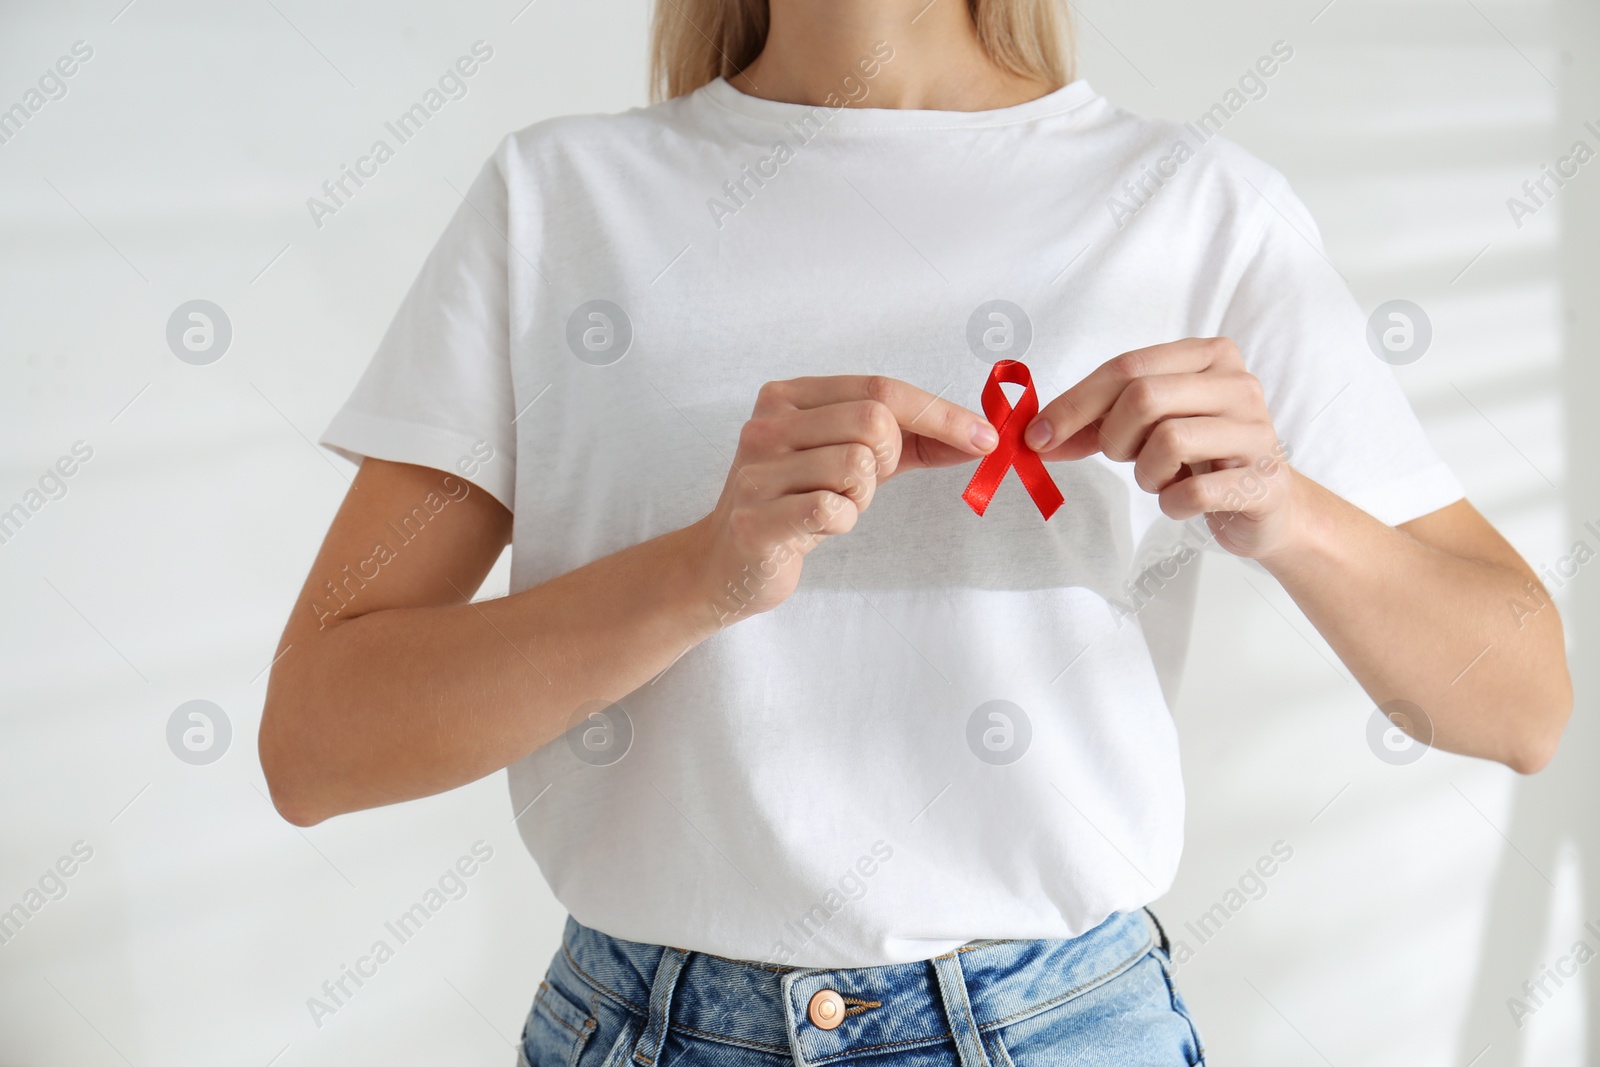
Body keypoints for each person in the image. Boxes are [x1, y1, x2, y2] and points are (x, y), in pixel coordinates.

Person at [259, 1, 1573, 1063]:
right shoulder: (555, 201)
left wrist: (1290, 510)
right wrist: (703, 574)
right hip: (643, 1030)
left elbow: (1522, 707)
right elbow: (320, 744)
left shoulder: (1197, 205)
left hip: (1063, 1033)